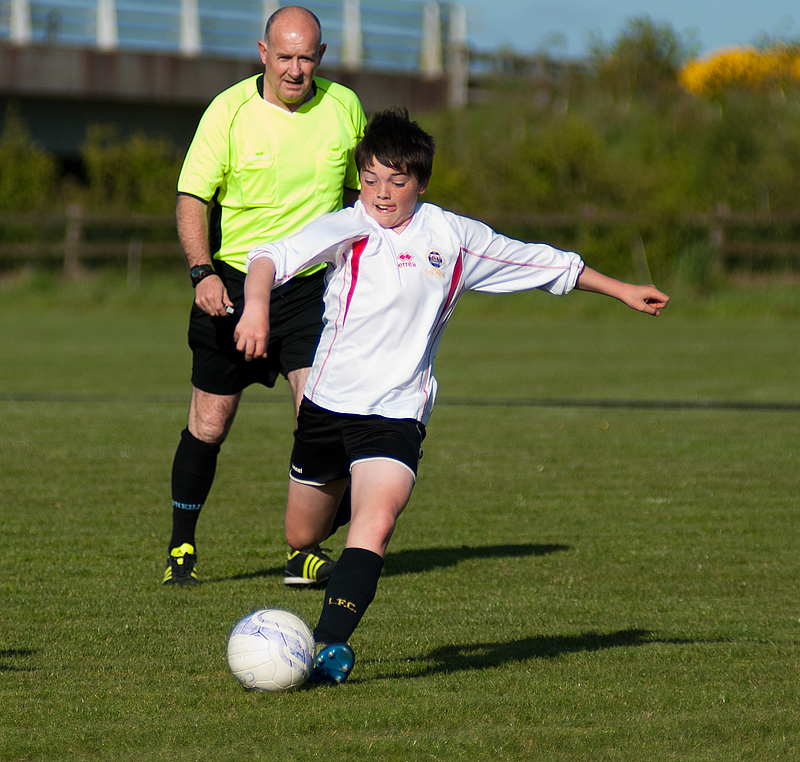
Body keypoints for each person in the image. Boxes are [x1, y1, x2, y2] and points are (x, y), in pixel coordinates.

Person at [234, 108, 670, 684]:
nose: (381, 194)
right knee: (302, 535)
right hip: (326, 407)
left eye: (396, 181)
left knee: (378, 522)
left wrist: (621, 290)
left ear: (421, 182)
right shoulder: (346, 226)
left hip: (396, 412)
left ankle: (326, 645)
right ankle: (340, 497)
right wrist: (258, 308)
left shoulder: (453, 237)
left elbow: (540, 261)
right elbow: (267, 257)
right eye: (370, 179)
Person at [163, 6, 366, 587]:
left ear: (321, 57)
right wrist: (201, 273)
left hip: (309, 292)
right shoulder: (227, 112)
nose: (296, 70)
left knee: (322, 421)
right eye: (285, 57)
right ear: (263, 53)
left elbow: (361, 199)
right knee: (210, 420)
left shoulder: (344, 107)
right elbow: (192, 197)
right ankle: (182, 548)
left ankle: (304, 551)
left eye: (307, 57)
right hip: (229, 285)